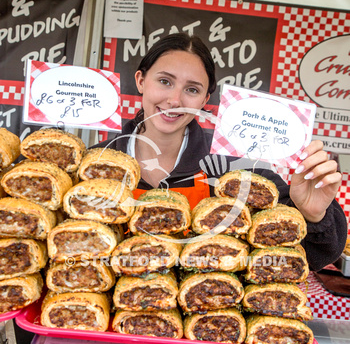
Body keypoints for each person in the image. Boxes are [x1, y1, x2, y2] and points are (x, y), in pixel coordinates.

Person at [97, 32, 347, 272]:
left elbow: (315, 255)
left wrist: (313, 215)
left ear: (205, 99)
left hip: (211, 310)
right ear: (141, 81)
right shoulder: (97, 163)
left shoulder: (236, 165)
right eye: (165, 81)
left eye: (192, 90)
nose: (175, 100)